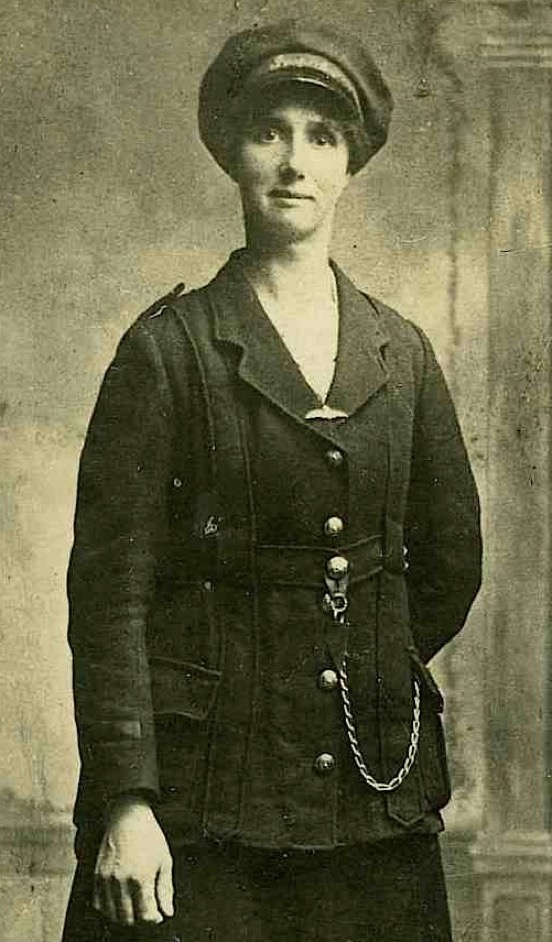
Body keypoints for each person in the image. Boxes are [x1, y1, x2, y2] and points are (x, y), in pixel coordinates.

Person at [62, 20, 482, 942]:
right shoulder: (167, 351)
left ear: (348, 164)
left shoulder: (399, 352)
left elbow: (451, 561)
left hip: (372, 797)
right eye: (271, 132)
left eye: (321, 137)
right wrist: (128, 801)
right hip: (202, 798)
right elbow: (109, 597)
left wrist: (360, 658)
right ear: (233, 155)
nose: (295, 162)